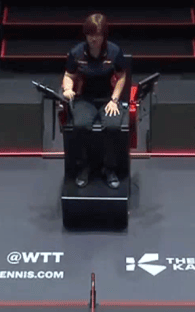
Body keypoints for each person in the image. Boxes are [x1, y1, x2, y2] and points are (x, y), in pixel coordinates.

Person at [62, 13, 128, 189]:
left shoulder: (114, 51)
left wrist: (114, 100)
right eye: (91, 35)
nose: (94, 39)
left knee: (113, 126)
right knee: (80, 125)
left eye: (98, 35)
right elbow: (68, 75)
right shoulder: (77, 53)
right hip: (85, 99)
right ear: (86, 35)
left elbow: (122, 77)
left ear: (104, 35)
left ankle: (109, 168)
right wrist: (67, 88)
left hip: (108, 99)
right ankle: (84, 167)